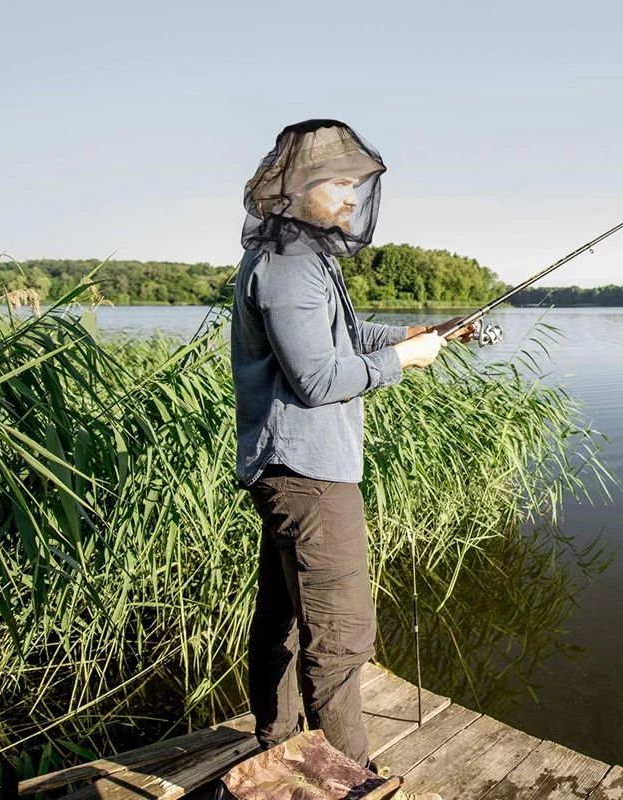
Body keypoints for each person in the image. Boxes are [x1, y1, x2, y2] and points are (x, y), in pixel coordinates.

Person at [231, 119, 473, 800]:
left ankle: (280, 746)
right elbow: (317, 377)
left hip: (290, 469)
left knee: (281, 614)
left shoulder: (301, 258)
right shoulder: (289, 266)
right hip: (308, 476)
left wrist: (418, 334)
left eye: (354, 184)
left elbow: (344, 335)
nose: (349, 196)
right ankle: (350, 784)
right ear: (298, 187)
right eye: (338, 182)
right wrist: (400, 362)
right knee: (341, 640)